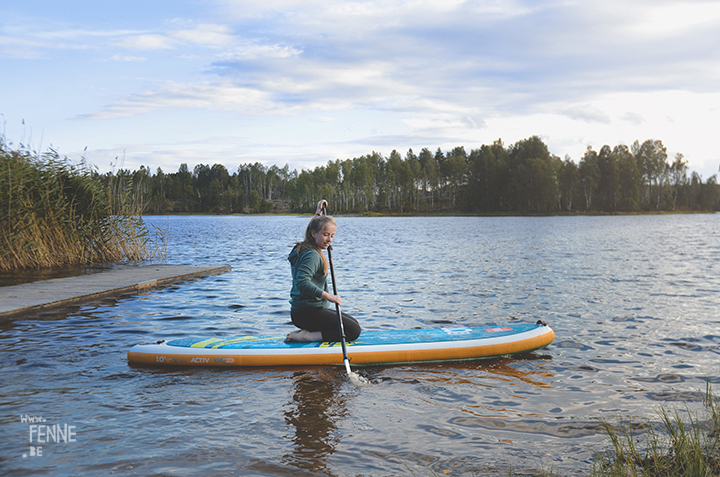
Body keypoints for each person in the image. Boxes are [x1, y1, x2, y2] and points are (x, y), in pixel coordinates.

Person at [285, 200, 362, 343]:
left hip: (302, 312)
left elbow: (314, 228)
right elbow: (302, 282)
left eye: (332, 235)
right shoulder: (312, 255)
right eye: (326, 234)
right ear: (314, 234)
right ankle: (308, 336)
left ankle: (309, 330)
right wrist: (329, 296)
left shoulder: (303, 246)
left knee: (353, 323)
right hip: (307, 312)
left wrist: (318, 212)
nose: (329, 239)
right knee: (353, 331)